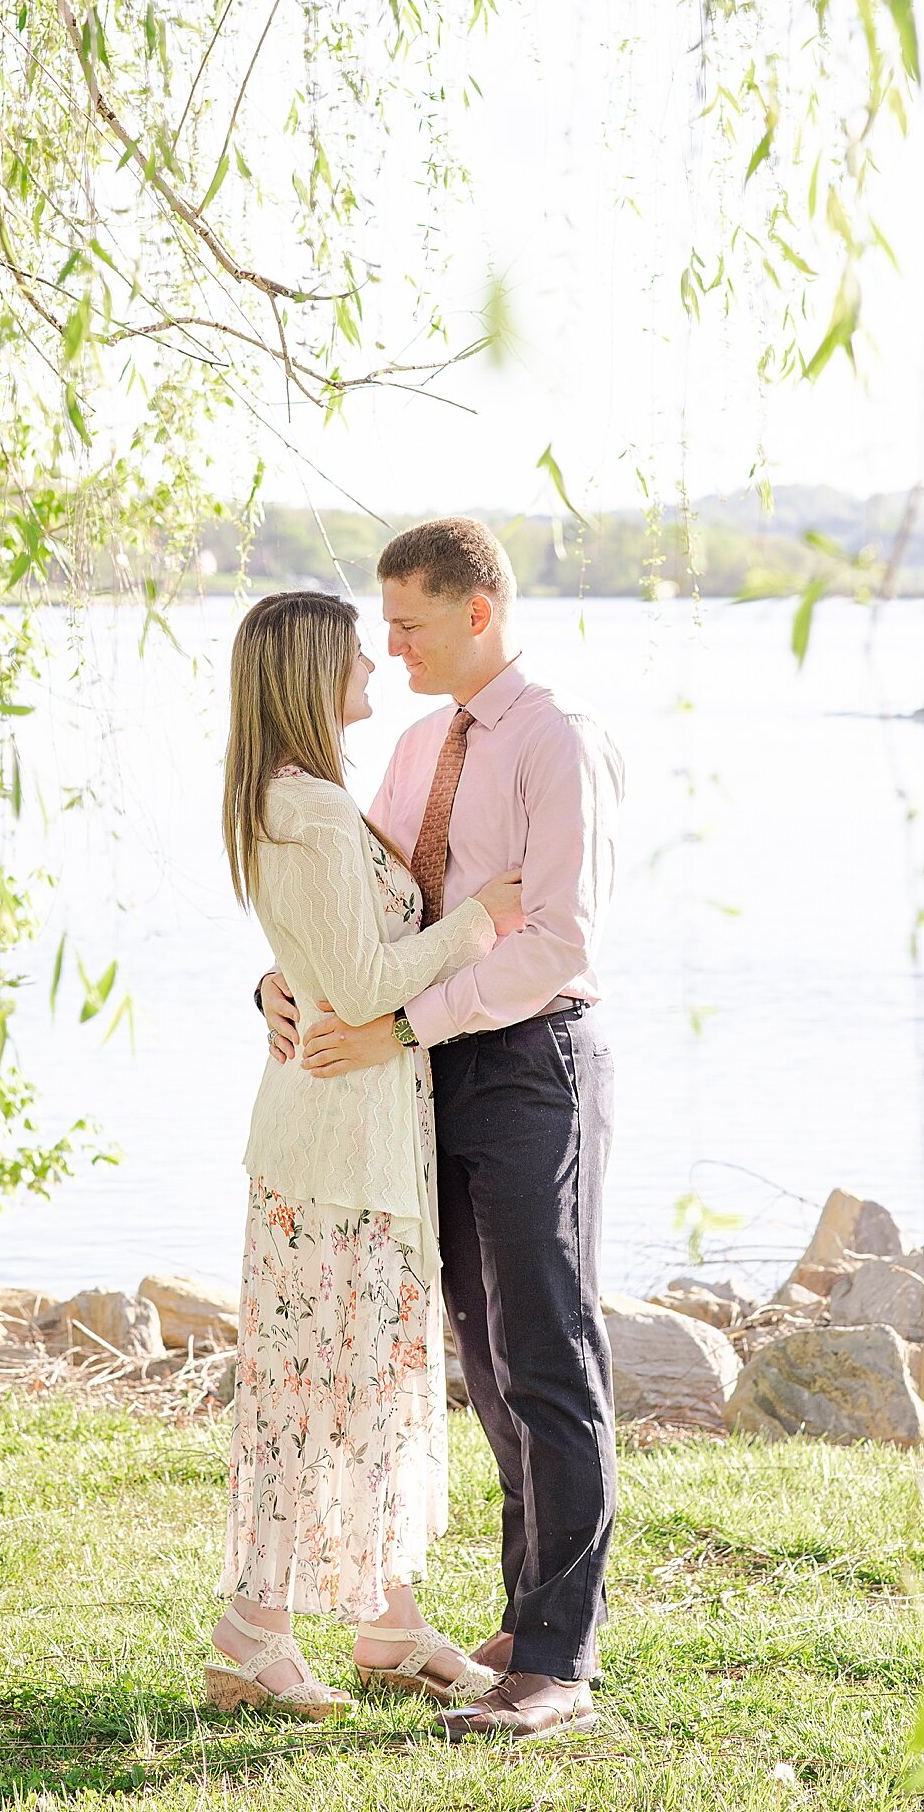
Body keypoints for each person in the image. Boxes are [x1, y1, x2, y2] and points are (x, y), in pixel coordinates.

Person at [262, 518, 624, 1741]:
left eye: (408, 623)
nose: (390, 645)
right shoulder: (417, 745)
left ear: (478, 611)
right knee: (484, 1356)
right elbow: (354, 911)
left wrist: (407, 1023)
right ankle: (527, 1620)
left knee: (549, 1350)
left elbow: (558, 940)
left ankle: (560, 1659)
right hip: (426, 1074)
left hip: (531, 1066)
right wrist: (277, 987)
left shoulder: (555, 741)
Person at [208, 588, 526, 1720]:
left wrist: (274, 980)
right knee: (308, 1395)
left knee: (365, 1390)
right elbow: (361, 982)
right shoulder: (311, 811)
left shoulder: (302, 799)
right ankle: (252, 1631)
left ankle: (387, 1618)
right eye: (354, 651)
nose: (376, 665)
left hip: (350, 1147)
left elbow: (314, 961)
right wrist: (479, 918)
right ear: (307, 672)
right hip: (332, 1160)